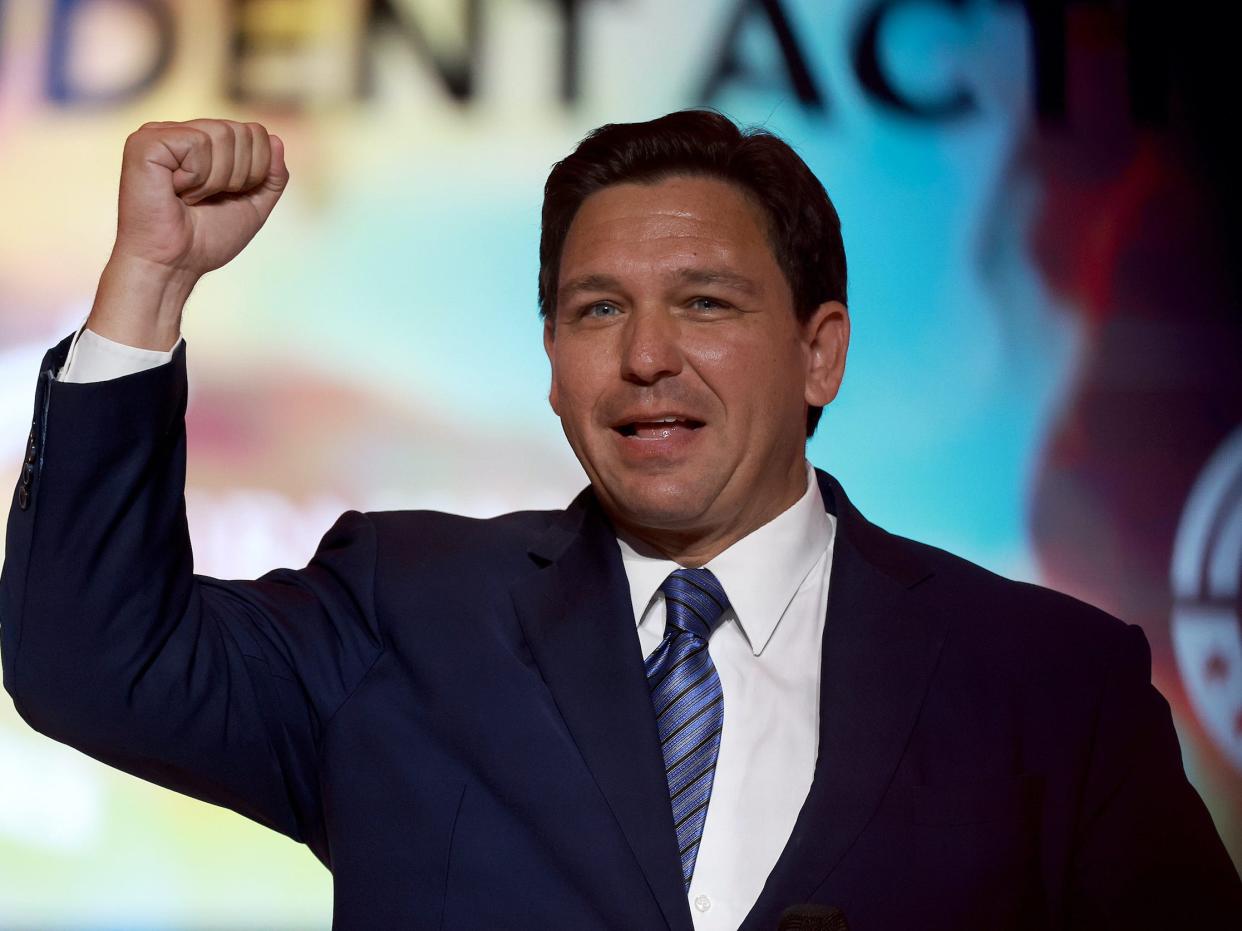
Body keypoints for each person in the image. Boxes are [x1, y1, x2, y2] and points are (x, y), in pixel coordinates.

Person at [1, 110, 1238, 931]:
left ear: (821, 353)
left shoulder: (1048, 685)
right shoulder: (405, 607)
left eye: (704, 303)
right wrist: (150, 281)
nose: (646, 356)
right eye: (596, 312)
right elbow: (91, 661)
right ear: (550, 360)